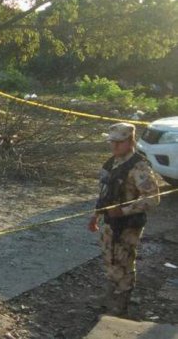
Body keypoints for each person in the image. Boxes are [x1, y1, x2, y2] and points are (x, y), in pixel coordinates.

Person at [87, 122, 160, 316]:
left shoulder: (139, 166)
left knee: (124, 262)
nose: (114, 146)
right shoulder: (112, 163)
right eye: (112, 142)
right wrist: (95, 215)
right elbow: (104, 192)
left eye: (119, 142)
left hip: (128, 226)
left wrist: (124, 210)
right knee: (110, 260)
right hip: (110, 224)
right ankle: (110, 297)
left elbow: (153, 199)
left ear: (130, 141)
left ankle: (121, 305)